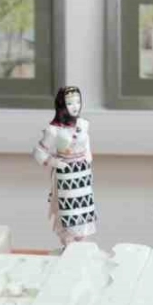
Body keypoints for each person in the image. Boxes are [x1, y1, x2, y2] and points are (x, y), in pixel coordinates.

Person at [31, 86, 97, 248]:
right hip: (66, 176)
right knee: (68, 211)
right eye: (70, 103)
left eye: (78, 102)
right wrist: (56, 163)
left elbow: (86, 142)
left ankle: (81, 243)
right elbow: (39, 152)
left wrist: (88, 156)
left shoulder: (83, 124)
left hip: (83, 175)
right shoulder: (54, 130)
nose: (75, 106)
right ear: (62, 105)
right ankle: (68, 242)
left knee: (84, 210)